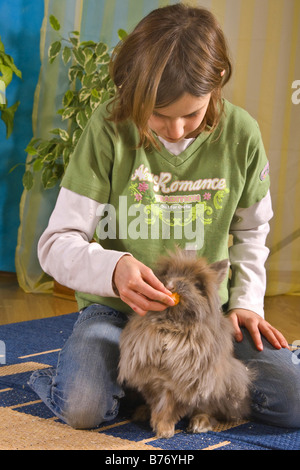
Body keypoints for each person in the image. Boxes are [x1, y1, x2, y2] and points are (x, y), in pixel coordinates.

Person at [29, 4, 300, 430]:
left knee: (293, 403)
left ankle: (155, 381)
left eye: (190, 115)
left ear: (217, 84)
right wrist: (113, 268)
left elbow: (251, 232)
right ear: (131, 93)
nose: (175, 131)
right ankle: (77, 375)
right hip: (117, 313)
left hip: (208, 317)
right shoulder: (107, 128)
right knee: (83, 406)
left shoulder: (242, 134)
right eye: (158, 115)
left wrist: (246, 303)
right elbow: (55, 242)